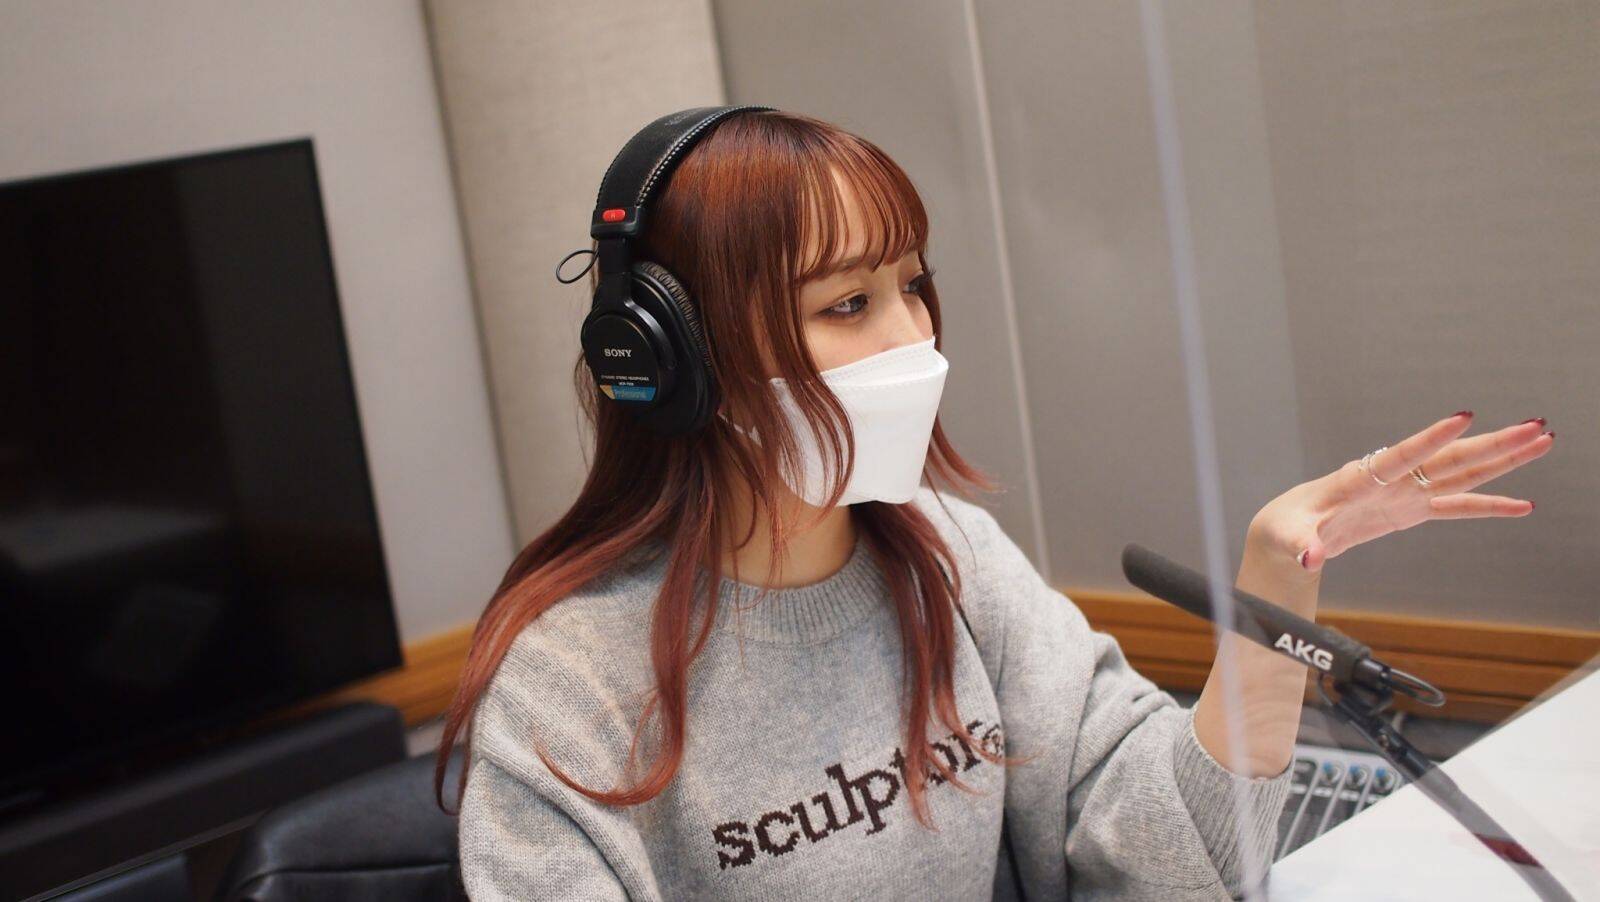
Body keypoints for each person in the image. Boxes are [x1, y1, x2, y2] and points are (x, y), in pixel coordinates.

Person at [437, 109, 1554, 901]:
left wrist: (1277, 580)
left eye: (911, 285)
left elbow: (1176, 862)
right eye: (848, 304)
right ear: (673, 359)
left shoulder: (954, 560)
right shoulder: (570, 684)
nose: (913, 337)